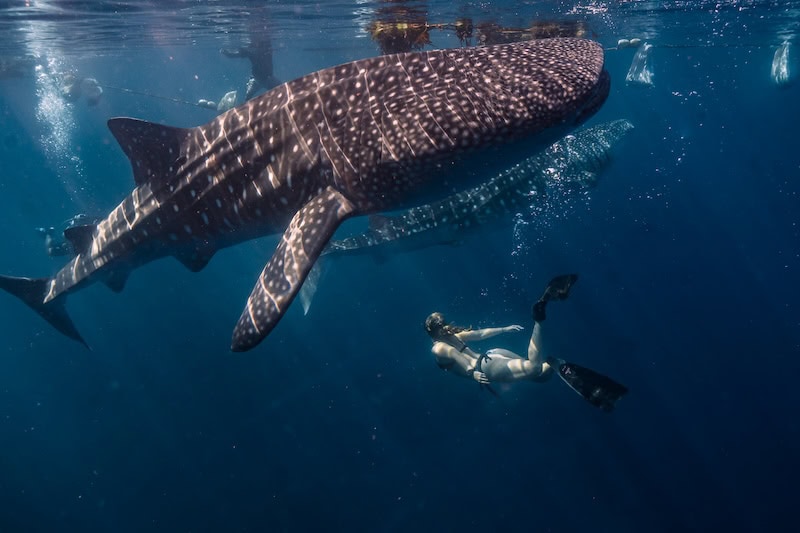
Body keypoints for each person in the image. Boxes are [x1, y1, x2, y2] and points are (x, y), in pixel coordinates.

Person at [425, 274, 628, 411]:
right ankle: (555, 363)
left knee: (531, 368)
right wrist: (503, 329)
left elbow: (458, 358)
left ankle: (539, 315)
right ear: (436, 329)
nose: (444, 328)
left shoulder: (439, 347)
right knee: (541, 374)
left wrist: (473, 373)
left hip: (486, 366)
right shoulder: (450, 338)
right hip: (493, 355)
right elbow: (479, 335)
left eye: (442, 325)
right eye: (441, 326)